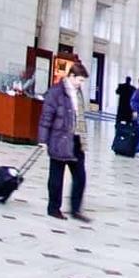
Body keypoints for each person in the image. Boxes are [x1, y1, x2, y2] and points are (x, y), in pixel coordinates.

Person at [39, 59, 89, 221]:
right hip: (59, 139)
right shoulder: (56, 92)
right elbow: (46, 117)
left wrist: (83, 139)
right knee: (56, 177)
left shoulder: (78, 92)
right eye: (80, 80)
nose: (81, 84)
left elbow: (79, 117)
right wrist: (42, 139)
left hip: (75, 140)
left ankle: (76, 210)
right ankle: (54, 208)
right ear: (72, 76)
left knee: (80, 176)